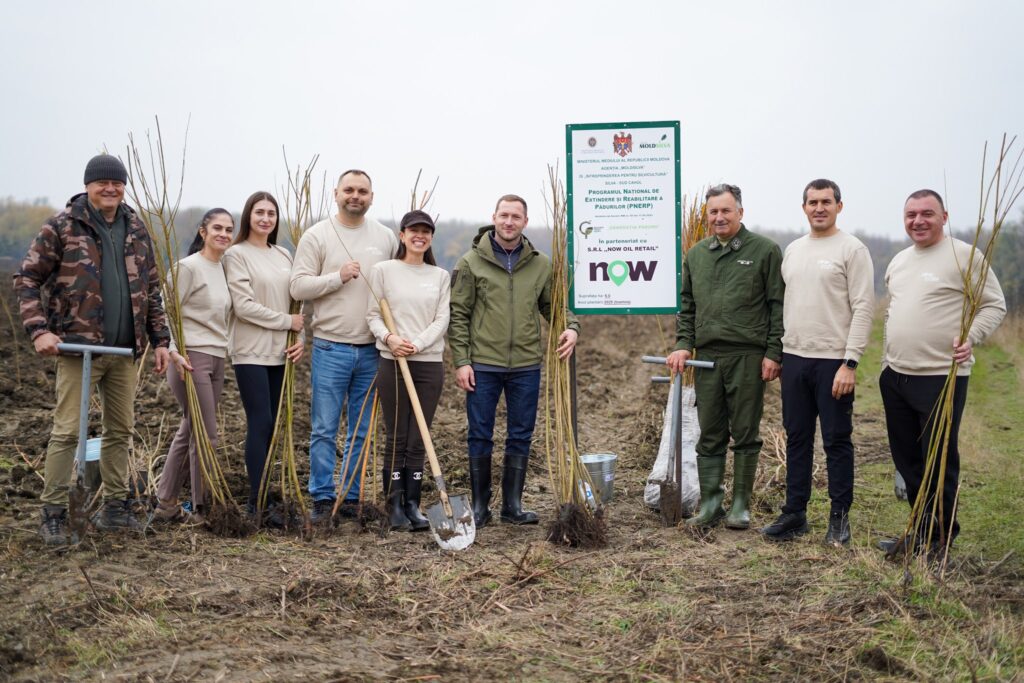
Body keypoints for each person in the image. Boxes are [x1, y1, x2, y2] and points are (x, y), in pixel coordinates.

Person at [14, 154, 171, 545]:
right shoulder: (63, 226)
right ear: (88, 185)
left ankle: (114, 509)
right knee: (68, 431)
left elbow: (151, 290)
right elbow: (27, 278)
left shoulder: (136, 228)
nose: (110, 188)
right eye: (101, 182)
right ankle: (53, 512)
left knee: (122, 430)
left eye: (116, 182)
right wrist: (39, 331)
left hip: (123, 352)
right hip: (76, 349)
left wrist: (161, 342)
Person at [877, 189, 1005, 557]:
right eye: (911, 214)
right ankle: (919, 531)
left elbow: (994, 305)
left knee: (939, 460)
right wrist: (886, 363)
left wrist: (972, 337)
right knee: (908, 460)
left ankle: (941, 538)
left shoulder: (965, 255)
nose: (918, 220)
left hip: (941, 377)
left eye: (927, 213)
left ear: (944, 217)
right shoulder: (899, 262)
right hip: (896, 376)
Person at [449, 194, 579, 527]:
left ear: (525, 221)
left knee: (520, 434)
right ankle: (480, 508)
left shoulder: (541, 264)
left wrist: (571, 328)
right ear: (494, 217)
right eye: (504, 215)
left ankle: (512, 507)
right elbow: (459, 314)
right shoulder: (470, 262)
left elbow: (554, 307)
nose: (509, 222)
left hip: (525, 365)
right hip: (483, 363)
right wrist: (462, 360)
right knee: (480, 434)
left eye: (516, 217)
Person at [761, 179, 874, 546]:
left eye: (827, 201)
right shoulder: (793, 250)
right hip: (795, 359)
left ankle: (839, 518)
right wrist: (778, 353)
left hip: (833, 362)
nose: (819, 208)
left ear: (839, 206)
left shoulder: (852, 249)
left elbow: (863, 307)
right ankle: (795, 513)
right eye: (813, 202)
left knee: (837, 441)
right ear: (804, 207)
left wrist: (851, 362)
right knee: (797, 437)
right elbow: (784, 306)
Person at [667, 183, 784, 529]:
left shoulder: (764, 251)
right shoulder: (696, 255)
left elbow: (777, 305)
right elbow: (686, 307)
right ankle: (711, 504)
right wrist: (683, 343)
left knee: (746, 431)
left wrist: (773, 352)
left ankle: (740, 506)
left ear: (740, 212)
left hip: (748, 356)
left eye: (726, 210)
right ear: (707, 215)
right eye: (713, 211)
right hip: (707, 359)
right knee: (711, 432)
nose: (719, 217)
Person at [290, 170, 398, 522]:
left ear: (372, 196)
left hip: (372, 349)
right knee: (324, 427)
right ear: (335, 193)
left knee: (361, 429)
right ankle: (322, 497)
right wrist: (338, 277)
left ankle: (350, 497)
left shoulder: (385, 238)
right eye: (349, 190)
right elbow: (298, 288)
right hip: (330, 347)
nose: (356, 196)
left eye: (362, 191)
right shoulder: (316, 235)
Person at [366, 210, 451, 531]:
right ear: (401, 235)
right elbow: (373, 315)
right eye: (413, 230)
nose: (420, 236)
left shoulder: (439, 276)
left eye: (426, 231)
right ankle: (394, 505)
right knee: (397, 436)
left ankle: (413, 504)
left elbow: (442, 320)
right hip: (392, 362)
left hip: (428, 364)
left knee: (419, 438)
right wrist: (389, 338)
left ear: (431, 237)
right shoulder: (383, 271)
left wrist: (415, 344)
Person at [222, 192, 304, 520]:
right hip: (250, 350)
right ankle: (255, 502)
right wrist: (287, 322)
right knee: (261, 421)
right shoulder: (236, 255)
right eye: (259, 212)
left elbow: (296, 302)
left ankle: (270, 498)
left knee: (273, 426)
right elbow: (243, 307)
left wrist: (300, 336)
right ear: (248, 216)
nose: (265, 218)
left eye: (271, 213)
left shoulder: (283, 254)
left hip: (281, 351)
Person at [154, 209, 235, 522]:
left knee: (191, 429)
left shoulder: (223, 268)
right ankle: (203, 507)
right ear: (203, 231)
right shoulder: (187, 268)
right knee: (206, 434)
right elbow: (163, 310)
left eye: (229, 230)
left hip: (217, 356)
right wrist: (173, 351)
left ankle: (166, 503)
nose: (224, 234)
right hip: (190, 358)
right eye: (217, 228)